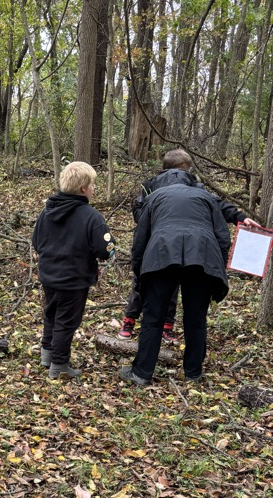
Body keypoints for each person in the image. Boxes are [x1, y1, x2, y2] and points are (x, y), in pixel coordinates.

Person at [119, 148, 260, 340]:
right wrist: (154, 220)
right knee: (143, 282)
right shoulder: (150, 186)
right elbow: (138, 209)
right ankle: (130, 319)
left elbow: (216, 204)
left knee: (174, 282)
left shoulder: (195, 187)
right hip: (155, 241)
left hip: (184, 243)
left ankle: (167, 325)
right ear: (183, 169)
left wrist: (240, 218)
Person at [121, 169, 231, 386]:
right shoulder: (206, 198)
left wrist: (139, 271)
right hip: (202, 258)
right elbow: (223, 237)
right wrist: (217, 270)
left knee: (153, 318)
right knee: (196, 319)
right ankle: (193, 373)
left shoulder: (154, 198)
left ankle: (141, 373)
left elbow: (140, 239)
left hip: (161, 257)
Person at [32, 161, 115, 380]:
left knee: (51, 314)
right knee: (67, 321)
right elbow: (104, 249)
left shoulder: (47, 212)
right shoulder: (91, 216)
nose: (94, 189)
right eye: (93, 185)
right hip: (74, 279)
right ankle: (59, 365)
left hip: (49, 276)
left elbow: (36, 241)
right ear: (83, 188)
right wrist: (110, 251)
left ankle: (47, 354)